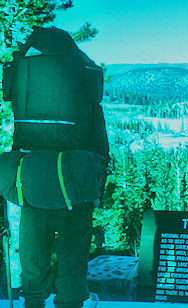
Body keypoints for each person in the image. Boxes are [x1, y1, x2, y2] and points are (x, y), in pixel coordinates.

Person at [1, 27, 109, 308]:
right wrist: (97, 186)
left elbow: (19, 138)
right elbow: (99, 142)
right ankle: (69, 302)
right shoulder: (82, 72)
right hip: (75, 184)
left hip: (30, 183)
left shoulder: (25, 73)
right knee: (72, 255)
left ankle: (33, 302)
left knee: (33, 254)